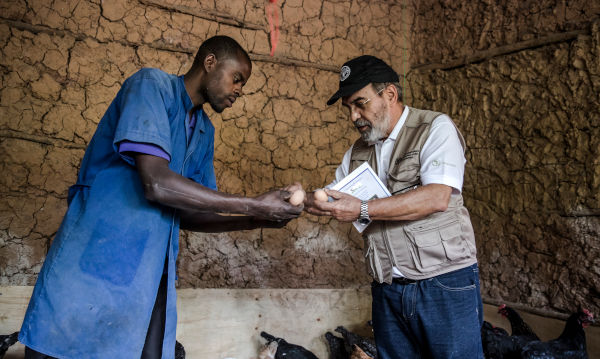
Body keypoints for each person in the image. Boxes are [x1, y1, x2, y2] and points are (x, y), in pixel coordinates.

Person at [19, 35, 303, 359]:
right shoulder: (150, 86)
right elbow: (155, 182)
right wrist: (253, 202)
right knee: (64, 347)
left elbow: (192, 210)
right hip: (98, 257)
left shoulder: (203, 131)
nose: (240, 89)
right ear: (210, 63)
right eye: (237, 78)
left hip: (150, 270)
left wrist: (258, 218)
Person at [305, 55, 483, 358]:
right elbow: (334, 197)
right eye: (348, 107)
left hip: (443, 284)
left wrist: (362, 209)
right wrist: (306, 200)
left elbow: (437, 197)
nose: (353, 116)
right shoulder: (357, 152)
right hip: (388, 289)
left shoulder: (433, 128)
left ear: (389, 94)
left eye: (360, 103)